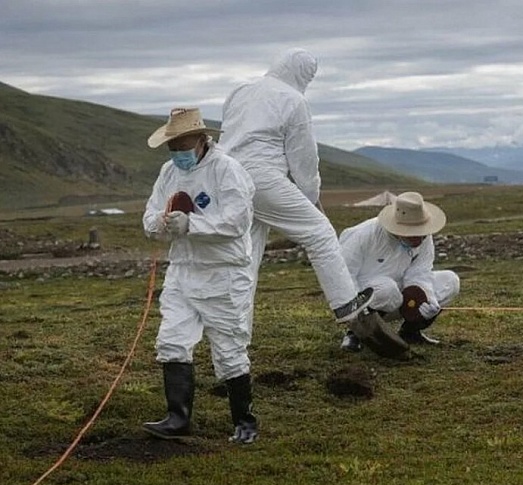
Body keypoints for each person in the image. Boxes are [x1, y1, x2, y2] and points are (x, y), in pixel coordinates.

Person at [218, 47, 373, 329]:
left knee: (245, 260)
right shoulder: (294, 100)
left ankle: (235, 335)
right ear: (304, 75)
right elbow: (303, 157)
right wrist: (311, 197)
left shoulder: (240, 90)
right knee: (320, 232)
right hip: (261, 178)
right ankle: (345, 303)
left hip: (225, 177)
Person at [141, 107, 259, 444]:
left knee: (229, 348)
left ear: (200, 138)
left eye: (181, 144)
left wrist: (192, 224)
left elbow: (237, 221)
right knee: (172, 340)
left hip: (224, 273)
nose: (177, 152)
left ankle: (244, 422)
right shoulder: (168, 172)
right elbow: (150, 215)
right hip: (182, 271)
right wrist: (161, 225)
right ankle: (177, 418)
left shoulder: (227, 171)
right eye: (171, 145)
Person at [338, 192, 460, 351]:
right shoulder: (363, 235)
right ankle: (355, 334)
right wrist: (350, 313)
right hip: (366, 298)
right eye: (413, 234)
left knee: (450, 281)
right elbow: (343, 276)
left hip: (399, 296)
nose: (419, 239)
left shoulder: (424, 238)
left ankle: (410, 332)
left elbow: (421, 272)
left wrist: (426, 297)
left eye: (421, 233)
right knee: (387, 289)